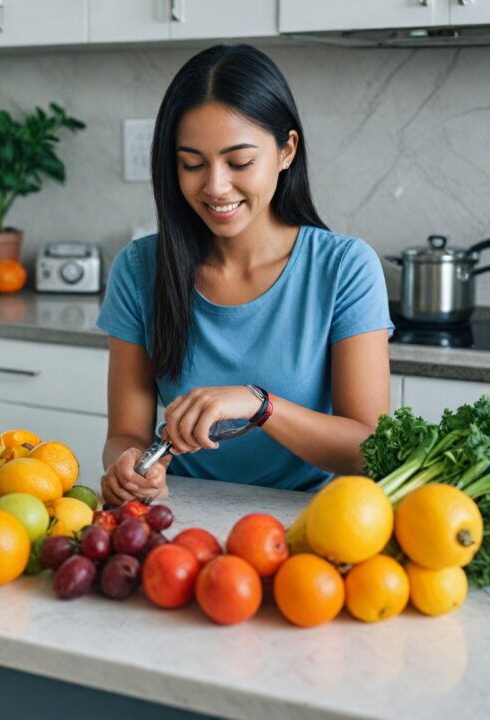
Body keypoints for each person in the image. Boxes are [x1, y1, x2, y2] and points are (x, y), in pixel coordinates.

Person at [96, 44, 392, 506]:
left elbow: (368, 451)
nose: (215, 186)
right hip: (181, 514)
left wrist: (260, 405)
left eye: (239, 162)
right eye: (192, 163)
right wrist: (128, 465)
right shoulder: (139, 269)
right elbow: (124, 435)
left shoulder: (345, 268)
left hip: (305, 520)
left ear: (286, 151)